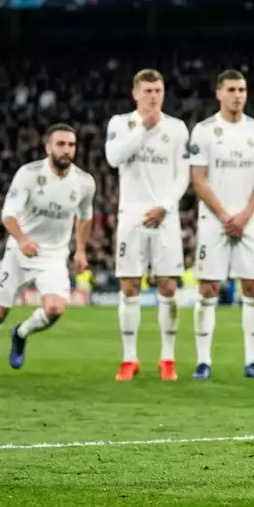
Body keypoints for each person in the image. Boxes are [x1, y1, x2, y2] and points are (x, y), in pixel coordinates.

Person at [0, 124, 95, 381]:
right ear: (48, 147)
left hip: (55, 255)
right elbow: (8, 214)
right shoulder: (28, 174)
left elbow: (85, 217)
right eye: (61, 144)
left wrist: (80, 250)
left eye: (71, 145)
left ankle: (21, 333)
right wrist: (22, 239)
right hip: (19, 252)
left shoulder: (84, 182)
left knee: (56, 308)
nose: (67, 150)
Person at [105, 69, 190, 382]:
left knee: (168, 286)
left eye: (158, 90)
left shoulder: (177, 128)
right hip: (131, 215)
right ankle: (129, 359)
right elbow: (114, 157)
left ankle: (167, 358)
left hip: (165, 216)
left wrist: (165, 207)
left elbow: (183, 174)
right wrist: (142, 127)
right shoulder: (121, 123)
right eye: (148, 90)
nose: (154, 96)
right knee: (129, 286)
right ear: (135, 93)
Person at [187, 70, 254, 379]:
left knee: (253, 288)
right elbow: (197, 179)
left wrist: (246, 214)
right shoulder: (204, 130)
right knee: (208, 288)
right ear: (219, 93)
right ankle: (203, 362)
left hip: (248, 221)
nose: (238, 95)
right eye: (232, 89)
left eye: (242, 89)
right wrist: (225, 215)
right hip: (214, 220)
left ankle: (252, 361)